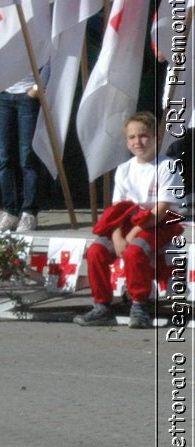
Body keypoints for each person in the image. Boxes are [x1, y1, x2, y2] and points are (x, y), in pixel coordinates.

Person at [74, 112, 186, 329]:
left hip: (159, 223)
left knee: (135, 251)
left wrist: (132, 235)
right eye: (132, 137)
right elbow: (117, 210)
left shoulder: (167, 166)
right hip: (127, 223)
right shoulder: (124, 169)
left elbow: (162, 209)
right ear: (126, 141)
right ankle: (101, 305)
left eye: (143, 136)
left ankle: (139, 305)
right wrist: (116, 236)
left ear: (157, 138)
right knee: (96, 251)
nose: (138, 142)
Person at [0, 68, 47, 233]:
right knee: (5, 157)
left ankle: (29, 212)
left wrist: (37, 88)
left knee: (28, 157)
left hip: (28, 94)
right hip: (2, 95)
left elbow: (50, 56)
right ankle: (10, 211)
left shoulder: (37, 39)